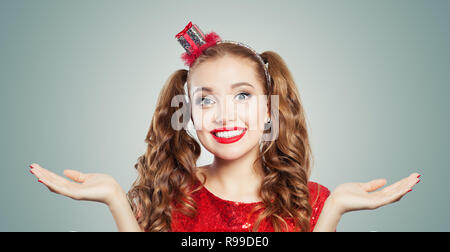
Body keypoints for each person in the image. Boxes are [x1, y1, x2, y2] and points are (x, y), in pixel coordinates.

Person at [28, 22, 421, 232]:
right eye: (206, 99)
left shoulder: (310, 202)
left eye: (243, 95)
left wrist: (333, 211)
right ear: (188, 113)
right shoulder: (168, 198)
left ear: (269, 109)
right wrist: (115, 200)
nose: (224, 115)